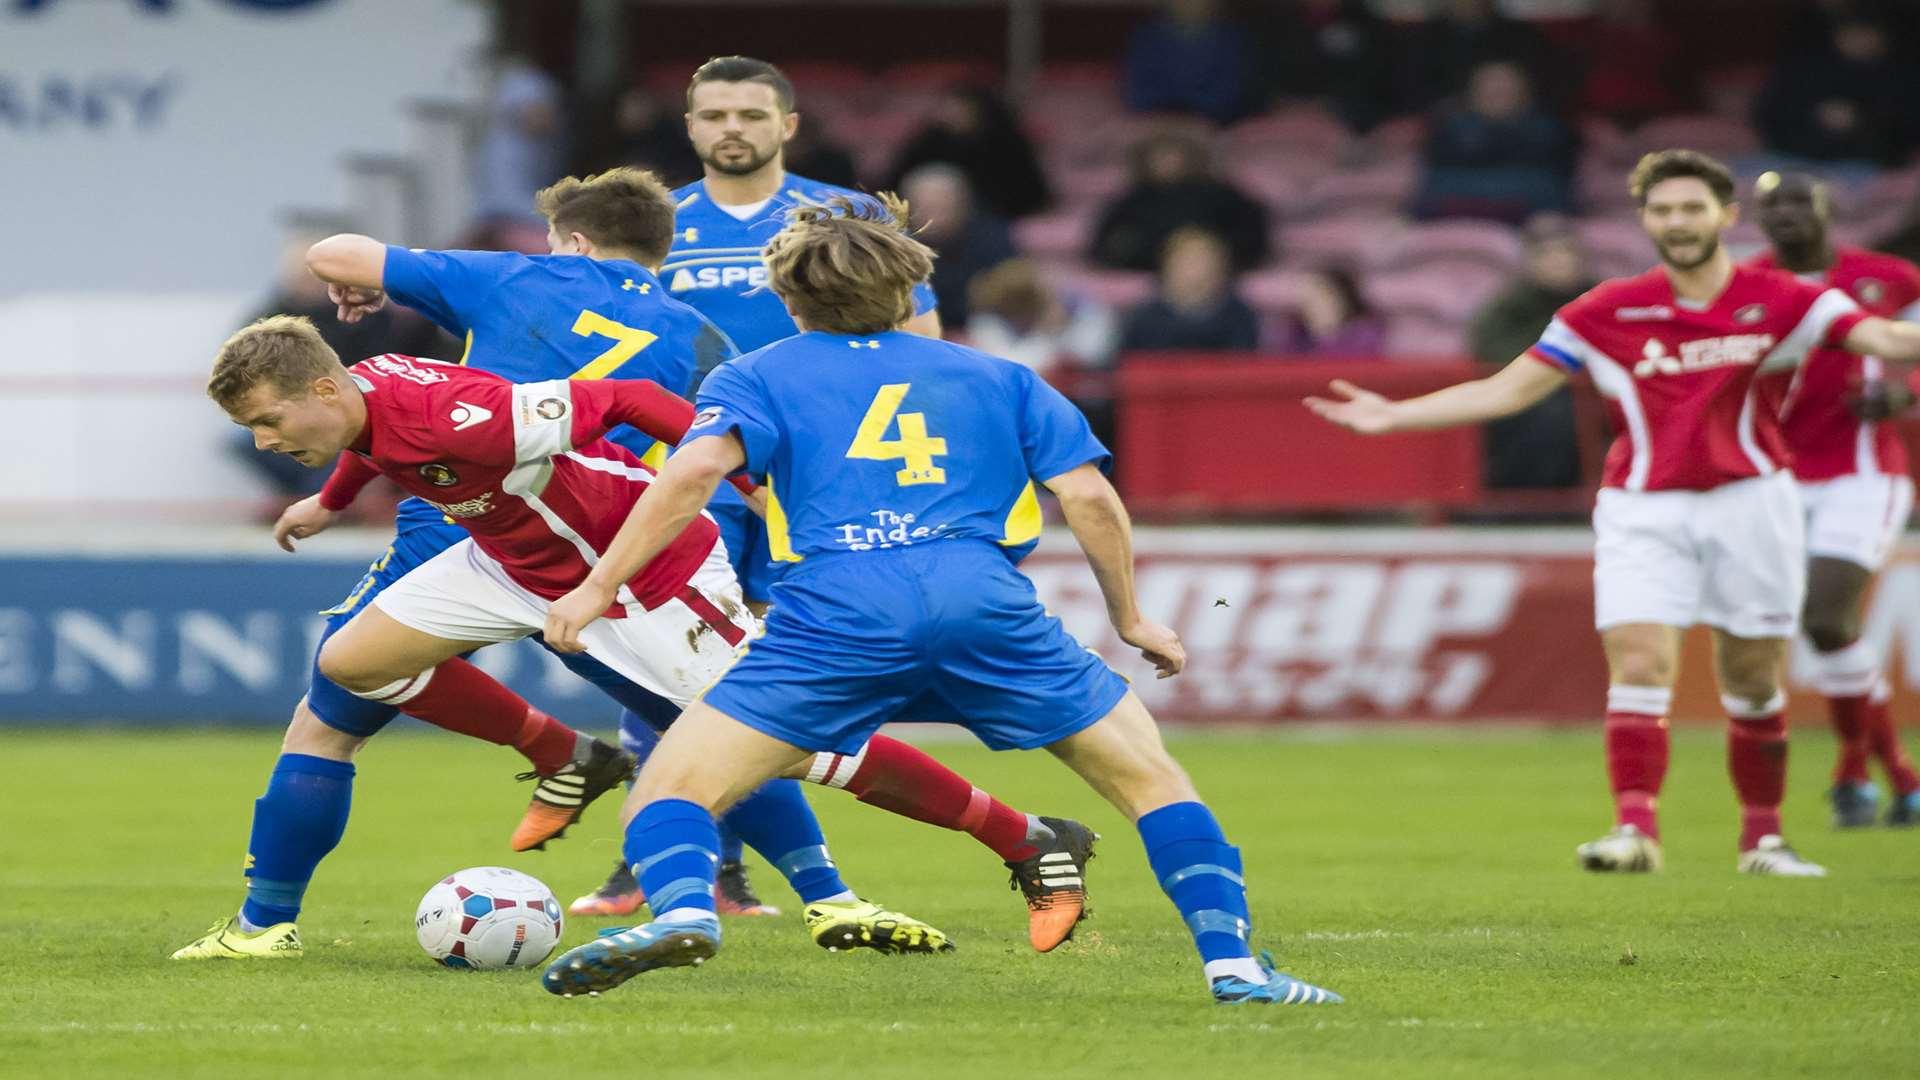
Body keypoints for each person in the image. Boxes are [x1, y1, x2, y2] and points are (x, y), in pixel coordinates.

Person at [535, 194, 1344, 1007]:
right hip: (983, 603)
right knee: (1155, 786)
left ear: (787, 301)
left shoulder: (756, 373)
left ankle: (687, 914)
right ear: (909, 293)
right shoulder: (999, 375)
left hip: (838, 611)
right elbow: (1090, 499)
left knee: (671, 790)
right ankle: (1234, 968)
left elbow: (692, 473)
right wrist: (1131, 618)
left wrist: (598, 586)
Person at [202, 317, 956, 958]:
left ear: (325, 392)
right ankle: (564, 753)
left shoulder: (465, 415)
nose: (264, 442)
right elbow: (376, 444)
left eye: (268, 421)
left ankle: (967, 854)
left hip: (633, 568)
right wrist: (330, 503)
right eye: (253, 430)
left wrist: (756, 488)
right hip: (511, 563)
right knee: (351, 662)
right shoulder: (361, 391)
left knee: (766, 741)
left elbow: (635, 399)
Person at [593, 58, 1103, 947]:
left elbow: (923, 340)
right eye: (714, 113)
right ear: (688, 125)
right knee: (671, 660)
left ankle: (704, 850)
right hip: (697, 472)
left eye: (751, 112)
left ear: (788, 124)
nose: (732, 128)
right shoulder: (658, 226)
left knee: (753, 686)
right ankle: (701, 858)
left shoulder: (849, 215)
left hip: (823, 484)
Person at [1309, 149, 1920, 876]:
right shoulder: (1606, 309)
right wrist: (1395, 416)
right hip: (1641, 506)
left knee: (1752, 678)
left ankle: (1762, 839)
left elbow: (1886, 339)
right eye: (1663, 210)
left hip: (1754, 502)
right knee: (1637, 661)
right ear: (1644, 221)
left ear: (1725, 216)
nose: (1678, 221)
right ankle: (1635, 830)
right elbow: (1507, 389)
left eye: (1692, 208)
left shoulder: (1784, 298)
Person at [1747, 169, 1920, 826]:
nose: (1787, 214)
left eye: (1799, 201)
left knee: (1823, 617)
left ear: (1828, 209)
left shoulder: (1889, 277)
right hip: (1776, 478)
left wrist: (1910, 394)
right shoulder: (1749, 286)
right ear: (1758, 220)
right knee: (1826, 630)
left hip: (1862, 473)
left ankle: (1858, 769)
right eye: (1773, 206)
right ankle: (1892, 771)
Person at [1467, 222, 1596, 488]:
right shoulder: (1510, 305)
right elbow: (1490, 349)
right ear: (1531, 262)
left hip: (1593, 395)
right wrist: (1551, 366)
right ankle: (1522, 498)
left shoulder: (1600, 298)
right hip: (1530, 394)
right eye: (1549, 255)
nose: (1560, 262)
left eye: (1567, 254)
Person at [1412, 60, 1577, 224]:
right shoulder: (1448, 128)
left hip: (1533, 217)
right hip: (1452, 212)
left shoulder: (1549, 130)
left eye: (1505, 86)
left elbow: (1555, 186)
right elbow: (1435, 185)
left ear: (1524, 92)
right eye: (1490, 86)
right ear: (1472, 92)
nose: (1497, 90)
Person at [1089, 126, 1269, 273]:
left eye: (1173, 153)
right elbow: (1107, 246)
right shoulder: (1131, 200)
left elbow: (1250, 241)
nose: (1166, 161)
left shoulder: (1221, 196)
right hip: (1146, 277)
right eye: (1158, 154)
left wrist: (1209, 259)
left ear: (1192, 156)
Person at [1754, 15, 1915, 167]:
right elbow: (1770, 113)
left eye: (1869, 34)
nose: (1862, 41)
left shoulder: (1899, 74)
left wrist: (1861, 120)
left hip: (1868, 163)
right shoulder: (1807, 67)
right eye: (1853, 33)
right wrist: (1815, 114)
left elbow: (1903, 130)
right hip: (1794, 157)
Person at [885, 85, 1051, 220]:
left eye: (961, 108)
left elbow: (1027, 193)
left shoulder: (1006, 143)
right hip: (922, 221)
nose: (952, 113)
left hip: (992, 220)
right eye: (949, 107)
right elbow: (896, 184)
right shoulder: (929, 141)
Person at [901, 164, 1019, 330]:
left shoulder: (992, 240)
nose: (933, 217)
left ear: (963, 205)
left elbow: (1006, 298)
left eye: (942, 207)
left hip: (981, 334)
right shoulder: (895, 249)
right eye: (926, 207)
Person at [1116, 227, 1262, 353]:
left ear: (1221, 268)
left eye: (1204, 262)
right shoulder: (1144, 317)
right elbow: (1128, 369)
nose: (1196, 271)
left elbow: (1245, 368)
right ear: (1167, 265)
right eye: (1187, 262)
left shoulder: (1240, 316)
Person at [1122, 0, 1257, 126]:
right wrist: (1162, 109)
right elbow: (1138, 84)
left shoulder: (1230, 40)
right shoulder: (1147, 38)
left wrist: (1201, 111)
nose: (1188, 4)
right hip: (1157, 116)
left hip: (1212, 119)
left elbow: (1231, 85)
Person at [1269, 266, 1387, 357]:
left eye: (1318, 296)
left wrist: (1326, 335)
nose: (1309, 303)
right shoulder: (1296, 334)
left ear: (1341, 298)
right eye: (1305, 297)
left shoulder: (1364, 333)